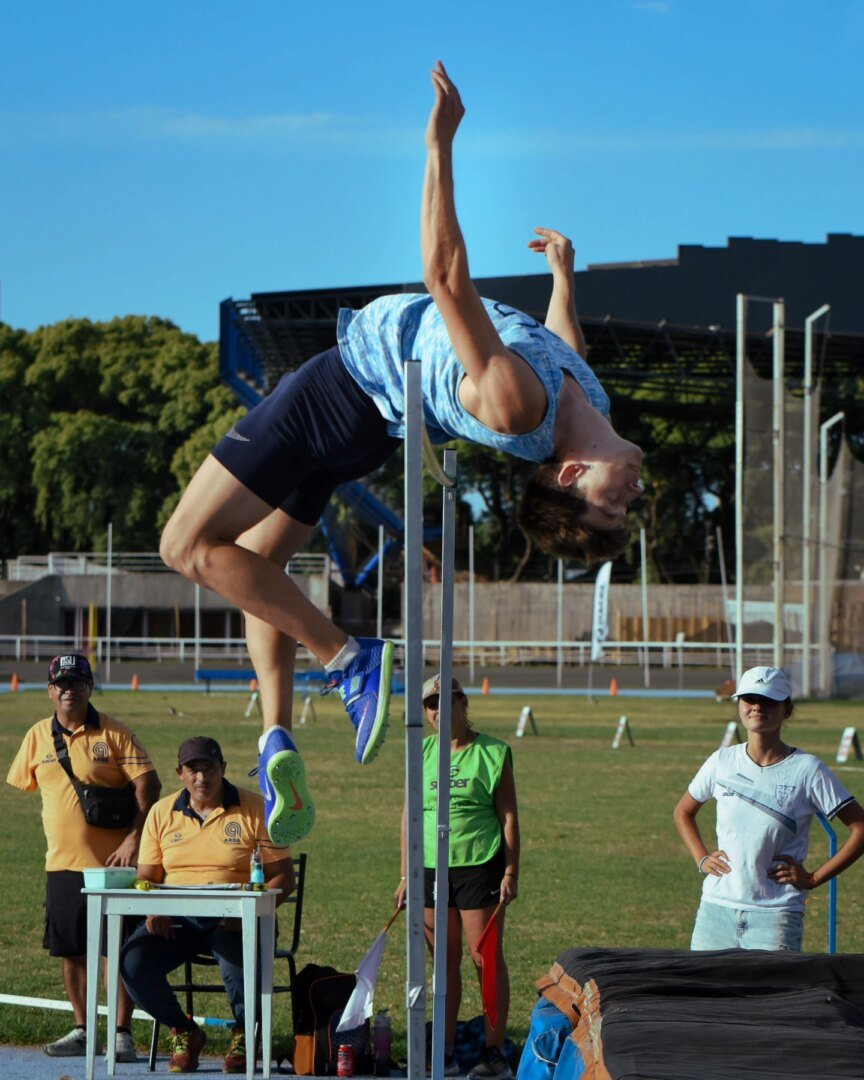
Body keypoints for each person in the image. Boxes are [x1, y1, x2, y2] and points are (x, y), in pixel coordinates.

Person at [159, 61, 643, 848]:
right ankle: (276, 736)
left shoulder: (516, 405)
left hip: (340, 391)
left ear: (570, 475)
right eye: (628, 505)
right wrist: (564, 277)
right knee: (256, 565)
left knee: (184, 546)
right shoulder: (581, 399)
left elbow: (445, 278)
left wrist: (438, 146)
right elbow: (565, 347)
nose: (634, 494)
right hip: (366, 429)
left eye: (613, 504)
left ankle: (346, 659)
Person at [6, 653, 161, 1060]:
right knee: (72, 951)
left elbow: (149, 785)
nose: (68, 690)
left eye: (76, 683)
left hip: (114, 868)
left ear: (90, 688)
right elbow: (25, 783)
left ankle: (121, 1033)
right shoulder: (37, 736)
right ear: (50, 690)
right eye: (61, 683)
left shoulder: (115, 732)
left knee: (118, 950)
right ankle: (83, 1029)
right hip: (61, 864)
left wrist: (133, 839)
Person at [120, 735, 295, 1075]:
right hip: (178, 921)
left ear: (223, 768)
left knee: (240, 958)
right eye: (193, 769)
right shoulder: (161, 812)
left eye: (210, 768)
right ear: (180, 773)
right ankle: (184, 1030)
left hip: (237, 919)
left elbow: (283, 878)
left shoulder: (256, 807)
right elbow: (146, 877)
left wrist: (249, 911)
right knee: (131, 961)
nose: (202, 777)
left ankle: (245, 1034)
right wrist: (154, 909)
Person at [673, 665, 864, 951]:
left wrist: (812, 878)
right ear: (739, 705)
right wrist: (702, 858)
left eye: (769, 700)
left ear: (787, 709)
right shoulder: (721, 761)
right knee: (703, 983)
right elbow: (683, 812)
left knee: (773, 984)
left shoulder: (808, 769)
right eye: (750, 699)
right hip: (715, 911)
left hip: (776, 917)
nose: (757, 707)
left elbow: (860, 828)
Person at [394, 676, 519, 1080]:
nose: (438, 712)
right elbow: (409, 815)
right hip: (430, 868)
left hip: (479, 863)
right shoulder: (421, 752)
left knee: (485, 959)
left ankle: (494, 1051)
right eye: (431, 705)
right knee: (443, 962)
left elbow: (508, 816)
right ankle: (443, 1050)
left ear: (463, 704)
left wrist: (511, 870)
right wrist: (406, 873)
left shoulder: (493, 752)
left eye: (446, 702)